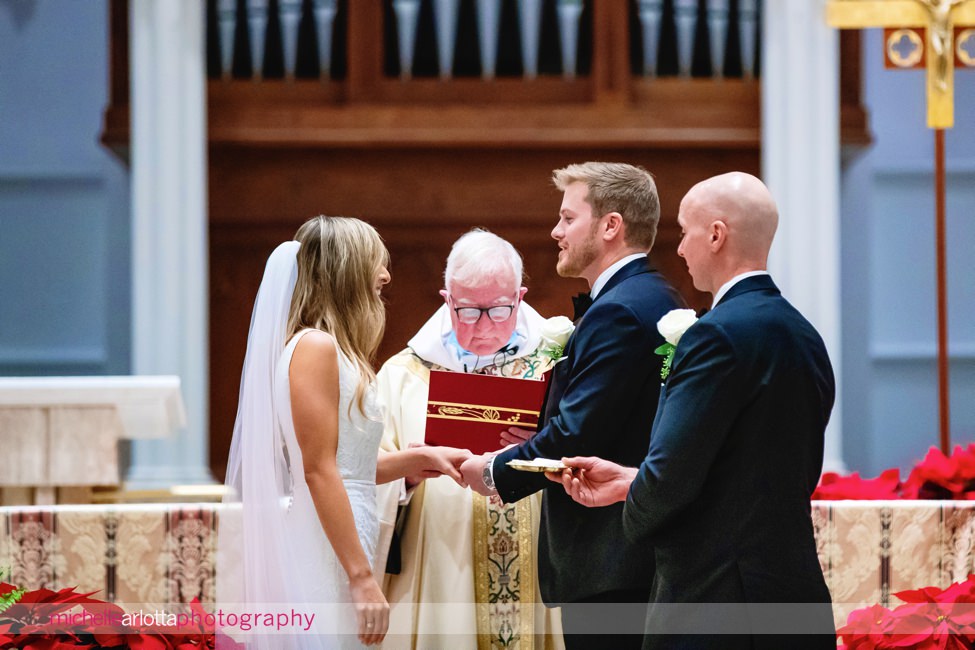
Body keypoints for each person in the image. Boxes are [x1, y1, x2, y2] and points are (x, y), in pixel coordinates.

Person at [549, 172, 837, 649]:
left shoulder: (715, 336)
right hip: (793, 591)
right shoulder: (803, 333)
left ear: (717, 235)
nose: (679, 249)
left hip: (716, 600)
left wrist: (639, 504)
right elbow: (761, 471)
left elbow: (671, 478)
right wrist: (629, 481)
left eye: (685, 232)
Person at [459, 163, 686, 650]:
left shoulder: (619, 312)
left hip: (611, 557)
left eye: (567, 218)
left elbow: (579, 433)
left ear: (610, 226)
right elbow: (613, 416)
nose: (555, 231)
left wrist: (495, 470)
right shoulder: (653, 295)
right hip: (632, 552)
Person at [220, 215, 467, 649]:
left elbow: (346, 464)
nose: (386, 275)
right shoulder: (315, 347)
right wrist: (361, 577)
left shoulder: (331, 348)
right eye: (376, 263)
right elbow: (317, 470)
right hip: (324, 540)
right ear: (346, 272)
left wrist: (421, 459)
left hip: (343, 528)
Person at [374, 229, 567, 649]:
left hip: (532, 560)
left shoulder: (555, 368)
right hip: (441, 559)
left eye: (499, 310)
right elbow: (362, 475)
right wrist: (407, 475)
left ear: (520, 296)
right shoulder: (404, 374)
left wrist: (550, 440)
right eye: (467, 311)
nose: (483, 326)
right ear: (447, 299)